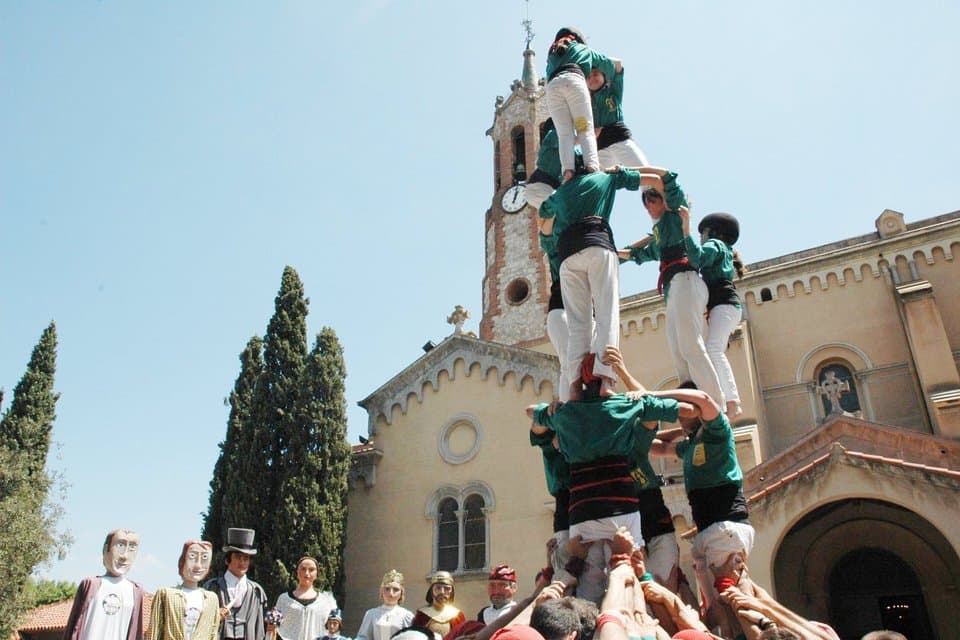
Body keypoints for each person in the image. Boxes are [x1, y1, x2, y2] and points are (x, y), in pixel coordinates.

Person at [528, 362, 699, 604]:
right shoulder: (576, 426)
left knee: (651, 585)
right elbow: (676, 415)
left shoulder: (614, 429)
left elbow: (655, 429)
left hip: (642, 513)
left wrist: (637, 391)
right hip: (597, 513)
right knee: (613, 581)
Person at [538, 166, 661, 398]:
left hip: (568, 267)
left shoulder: (558, 233)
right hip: (598, 245)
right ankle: (606, 379)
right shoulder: (603, 179)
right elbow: (656, 178)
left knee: (578, 331)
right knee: (607, 316)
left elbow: (542, 221)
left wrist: (560, 198)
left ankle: (575, 386)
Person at [650, 384, 754, 626]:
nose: (679, 416)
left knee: (733, 602)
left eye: (682, 411)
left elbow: (704, 398)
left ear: (696, 410)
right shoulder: (690, 445)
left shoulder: (717, 431)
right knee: (715, 610)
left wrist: (654, 395)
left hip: (725, 526)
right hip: (709, 532)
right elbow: (658, 447)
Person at [621, 170, 725, 407]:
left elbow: (668, 181)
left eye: (652, 199)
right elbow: (637, 255)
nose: (648, 205)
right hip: (674, 289)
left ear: (664, 200)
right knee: (678, 352)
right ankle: (693, 403)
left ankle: (714, 404)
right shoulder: (660, 233)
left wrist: (635, 174)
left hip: (686, 281)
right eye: (645, 201)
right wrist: (609, 252)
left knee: (691, 346)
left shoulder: (675, 217)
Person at [681, 209, 746, 419]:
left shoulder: (715, 245)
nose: (701, 238)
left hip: (724, 306)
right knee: (712, 351)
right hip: (727, 308)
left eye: (702, 234)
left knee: (714, 350)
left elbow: (698, 258)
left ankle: (732, 402)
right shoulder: (724, 249)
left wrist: (685, 232)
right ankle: (724, 398)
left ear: (714, 233)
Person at [544, 27, 616, 181]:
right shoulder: (583, 49)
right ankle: (592, 166)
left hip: (552, 89)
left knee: (564, 134)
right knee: (584, 128)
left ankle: (567, 171)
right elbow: (608, 65)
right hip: (574, 82)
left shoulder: (552, 55)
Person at [63, 529, 145, 640]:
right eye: (120, 546)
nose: (124, 556)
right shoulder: (90, 585)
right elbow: (74, 626)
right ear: (106, 549)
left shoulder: (136, 591)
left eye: (132, 548)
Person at [204, 528, 269, 640]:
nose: (242, 562)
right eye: (238, 557)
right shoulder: (212, 588)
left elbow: (259, 629)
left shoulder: (256, 592)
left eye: (246, 558)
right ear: (227, 560)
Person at [149, 540, 221, 640]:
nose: (198, 565)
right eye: (192, 556)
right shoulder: (165, 594)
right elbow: (154, 632)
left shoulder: (211, 599)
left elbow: (213, 633)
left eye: (204, 557)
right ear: (182, 561)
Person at [587, 63, 649, 170]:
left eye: (596, 74)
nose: (592, 78)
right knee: (597, 179)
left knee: (644, 172)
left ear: (604, 76)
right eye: (588, 77)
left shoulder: (613, 90)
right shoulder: (585, 101)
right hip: (601, 149)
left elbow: (618, 64)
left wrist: (593, 59)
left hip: (620, 140)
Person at [274, 556, 338, 640]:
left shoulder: (325, 602)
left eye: (311, 570)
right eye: (303, 569)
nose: (307, 573)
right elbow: (274, 627)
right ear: (297, 572)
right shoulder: (284, 599)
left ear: (316, 574)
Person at [355, 570, 414, 640]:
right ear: (382, 591)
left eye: (395, 589)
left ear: (401, 593)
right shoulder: (371, 614)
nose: (391, 593)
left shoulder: (406, 616)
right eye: (387, 589)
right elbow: (363, 638)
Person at [412, 571, 466, 637]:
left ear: (452, 591)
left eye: (447, 588)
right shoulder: (422, 615)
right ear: (431, 590)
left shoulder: (457, 616)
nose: (442, 592)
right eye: (438, 588)